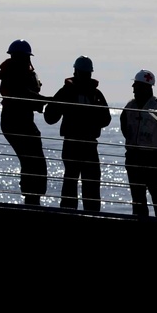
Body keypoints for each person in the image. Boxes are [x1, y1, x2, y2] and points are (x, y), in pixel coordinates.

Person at [44, 56, 112, 212]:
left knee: (71, 182)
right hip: (87, 144)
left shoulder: (67, 91)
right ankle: (92, 214)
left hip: (72, 144)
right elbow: (106, 119)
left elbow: (50, 117)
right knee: (90, 184)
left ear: (75, 71)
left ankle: (70, 214)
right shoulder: (95, 94)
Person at [0, 39, 48, 206]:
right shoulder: (13, 75)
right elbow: (25, 94)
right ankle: (32, 198)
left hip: (20, 121)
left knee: (33, 161)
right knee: (33, 161)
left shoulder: (17, 73)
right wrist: (46, 100)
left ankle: (33, 198)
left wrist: (42, 100)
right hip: (16, 121)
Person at [120, 69, 157, 218]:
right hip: (133, 157)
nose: (133, 88)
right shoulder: (129, 106)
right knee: (138, 201)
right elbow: (124, 126)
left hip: (153, 158)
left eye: (137, 85)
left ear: (146, 87)